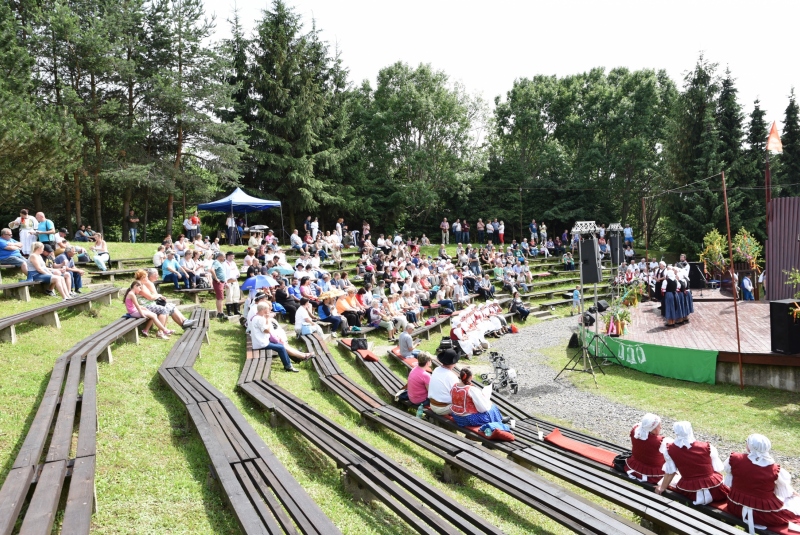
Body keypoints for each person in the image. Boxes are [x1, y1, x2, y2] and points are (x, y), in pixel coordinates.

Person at [723, 434, 800, 533]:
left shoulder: (736, 459)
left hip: (735, 506)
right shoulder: (774, 469)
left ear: (749, 446)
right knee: (794, 501)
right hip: (762, 515)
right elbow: (784, 492)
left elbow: (730, 480)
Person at [655, 421, 729, 505]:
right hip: (715, 490)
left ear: (676, 432)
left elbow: (670, 471)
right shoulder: (706, 446)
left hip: (691, 492)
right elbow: (717, 468)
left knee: (675, 479)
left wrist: (662, 487)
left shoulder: (670, 449)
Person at [250, 302, 311, 372]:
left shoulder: (256, 317)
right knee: (281, 347)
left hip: (260, 342)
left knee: (281, 345)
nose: (269, 310)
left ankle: (295, 359)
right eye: (267, 309)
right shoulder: (259, 319)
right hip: (261, 343)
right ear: (263, 309)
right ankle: (288, 366)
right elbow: (267, 331)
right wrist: (267, 319)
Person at [626, 414, 666, 484]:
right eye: (659, 426)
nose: (661, 428)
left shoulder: (635, 430)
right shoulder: (660, 442)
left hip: (635, 465)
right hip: (653, 473)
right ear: (653, 429)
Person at [428, 349, 460, 415]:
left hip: (432, 404)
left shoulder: (436, 369)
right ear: (454, 363)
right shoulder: (452, 376)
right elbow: (457, 395)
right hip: (443, 408)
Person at [224, 251, 241, 316]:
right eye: (231, 256)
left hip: (235, 281)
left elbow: (237, 271)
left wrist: (237, 275)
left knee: (236, 295)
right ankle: (229, 311)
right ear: (228, 256)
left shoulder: (233, 263)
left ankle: (236, 310)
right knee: (229, 296)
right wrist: (225, 282)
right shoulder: (224, 264)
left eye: (233, 256)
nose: (233, 257)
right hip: (229, 281)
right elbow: (224, 274)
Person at [210, 253, 227, 319]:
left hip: (221, 282)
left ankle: (220, 312)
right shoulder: (216, 262)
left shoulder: (219, 263)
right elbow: (211, 270)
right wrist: (216, 278)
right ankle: (220, 313)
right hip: (218, 282)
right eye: (224, 257)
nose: (224, 258)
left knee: (220, 298)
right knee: (220, 298)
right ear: (220, 256)